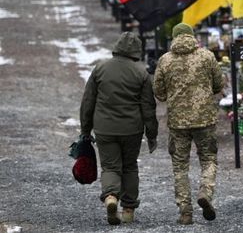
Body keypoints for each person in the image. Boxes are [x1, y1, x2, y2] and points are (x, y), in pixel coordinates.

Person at [80, 32, 157, 225]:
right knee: (130, 166)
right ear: (135, 51)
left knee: (110, 167)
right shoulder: (141, 73)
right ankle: (129, 210)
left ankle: (111, 197)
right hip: (132, 129)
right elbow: (148, 107)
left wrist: (85, 129)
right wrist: (152, 134)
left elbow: (88, 102)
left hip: (104, 128)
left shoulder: (100, 68)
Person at [154, 23, 223, 225]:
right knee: (209, 159)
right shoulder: (207, 56)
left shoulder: (165, 60)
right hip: (205, 120)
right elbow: (219, 84)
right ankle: (205, 192)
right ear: (192, 37)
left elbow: (158, 92)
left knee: (180, 166)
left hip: (178, 122)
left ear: (174, 38)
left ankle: (185, 212)